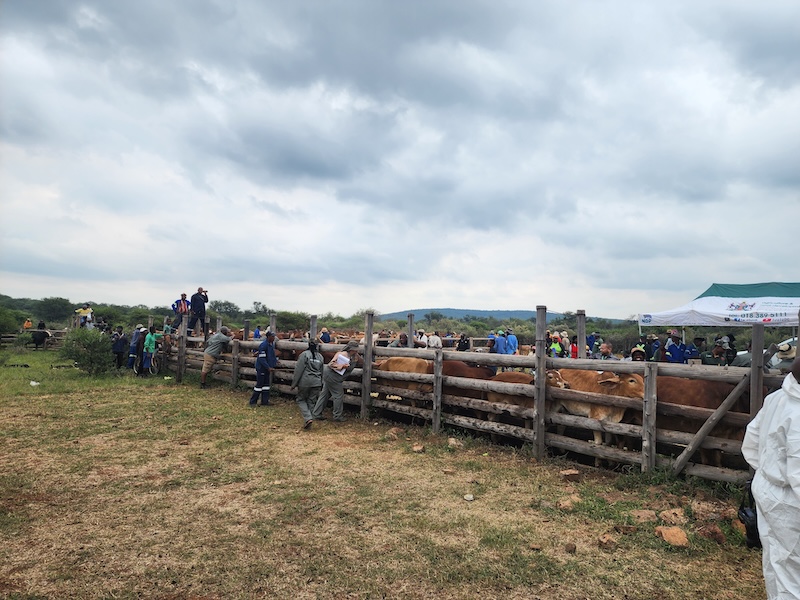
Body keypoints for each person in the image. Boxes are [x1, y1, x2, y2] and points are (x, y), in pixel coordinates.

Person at [741, 357, 800, 599]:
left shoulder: (777, 398)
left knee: (776, 561)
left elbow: (751, 443)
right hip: (791, 503)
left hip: (768, 491)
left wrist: (769, 473)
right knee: (792, 572)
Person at [312, 340, 360, 422]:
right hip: (332, 376)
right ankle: (337, 416)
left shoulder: (355, 356)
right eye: (354, 349)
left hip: (333, 376)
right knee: (338, 395)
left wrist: (375, 364)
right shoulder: (343, 354)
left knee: (325, 394)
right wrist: (341, 366)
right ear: (350, 349)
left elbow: (363, 362)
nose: (356, 350)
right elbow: (331, 364)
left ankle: (316, 413)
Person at [290, 338, 324, 428]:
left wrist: (294, 384)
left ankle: (308, 418)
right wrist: (321, 382)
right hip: (317, 382)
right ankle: (311, 418)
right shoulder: (320, 357)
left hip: (305, 381)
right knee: (311, 401)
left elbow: (299, 370)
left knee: (300, 399)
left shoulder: (304, 355)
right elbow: (322, 371)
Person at [249, 331, 277, 405]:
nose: (274, 338)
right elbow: (262, 359)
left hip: (267, 368)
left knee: (266, 386)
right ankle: (253, 402)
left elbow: (271, 355)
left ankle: (265, 401)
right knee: (259, 385)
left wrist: (275, 362)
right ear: (268, 337)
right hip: (262, 368)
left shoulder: (271, 345)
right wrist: (268, 367)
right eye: (272, 337)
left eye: (274, 336)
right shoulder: (263, 345)